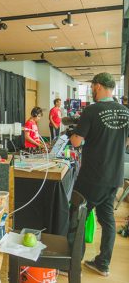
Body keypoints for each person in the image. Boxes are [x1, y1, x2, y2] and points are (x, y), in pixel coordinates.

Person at [70, 73, 129, 277]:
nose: (92, 90)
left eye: (93, 87)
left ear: (99, 86)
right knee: (107, 220)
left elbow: (77, 141)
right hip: (114, 176)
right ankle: (103, 264)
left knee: (77, 216)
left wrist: (74, 136)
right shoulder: (125, 112)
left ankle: (72, 262)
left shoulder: (92, 110)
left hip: (93, 176)